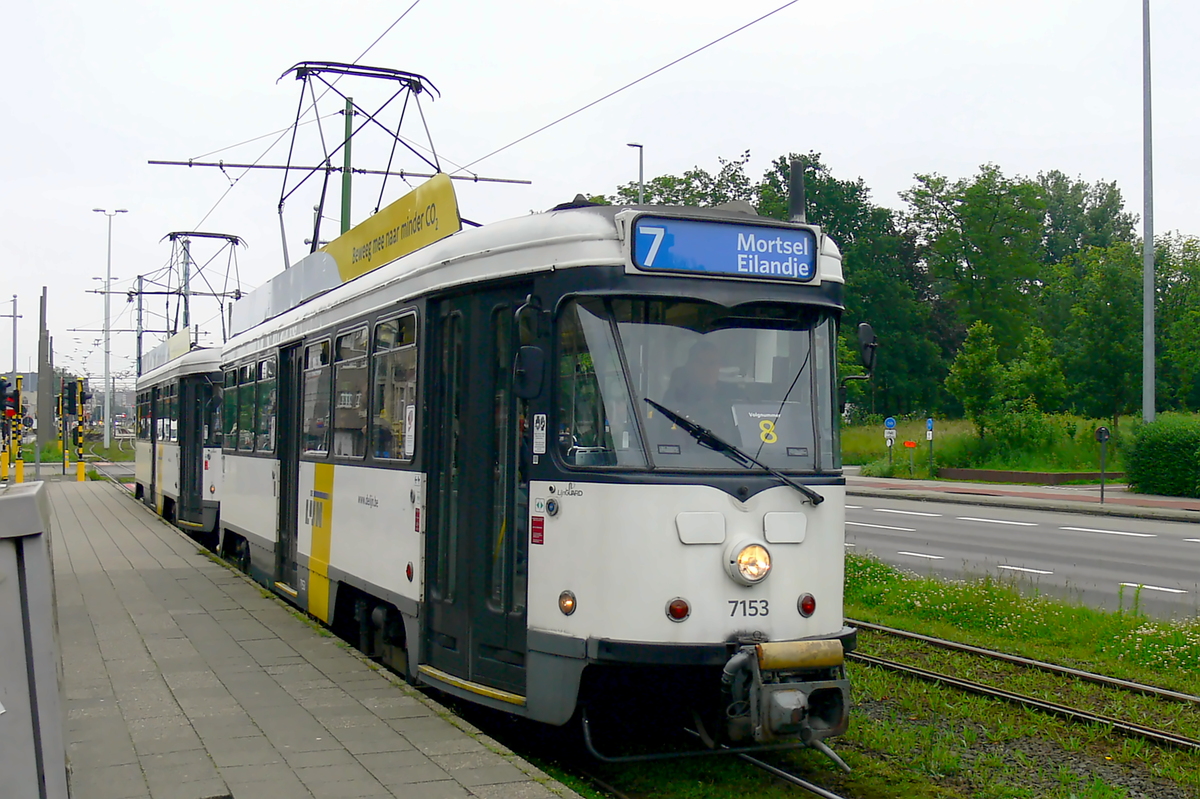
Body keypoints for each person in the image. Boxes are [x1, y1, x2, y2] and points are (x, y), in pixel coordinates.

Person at [662, 339, 738, 440]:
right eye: (701, 363)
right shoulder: (676, 395)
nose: (707, 369)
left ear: (719, 366)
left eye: (712, 363)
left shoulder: (733, 395)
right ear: (690, 365)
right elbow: (665, 433)